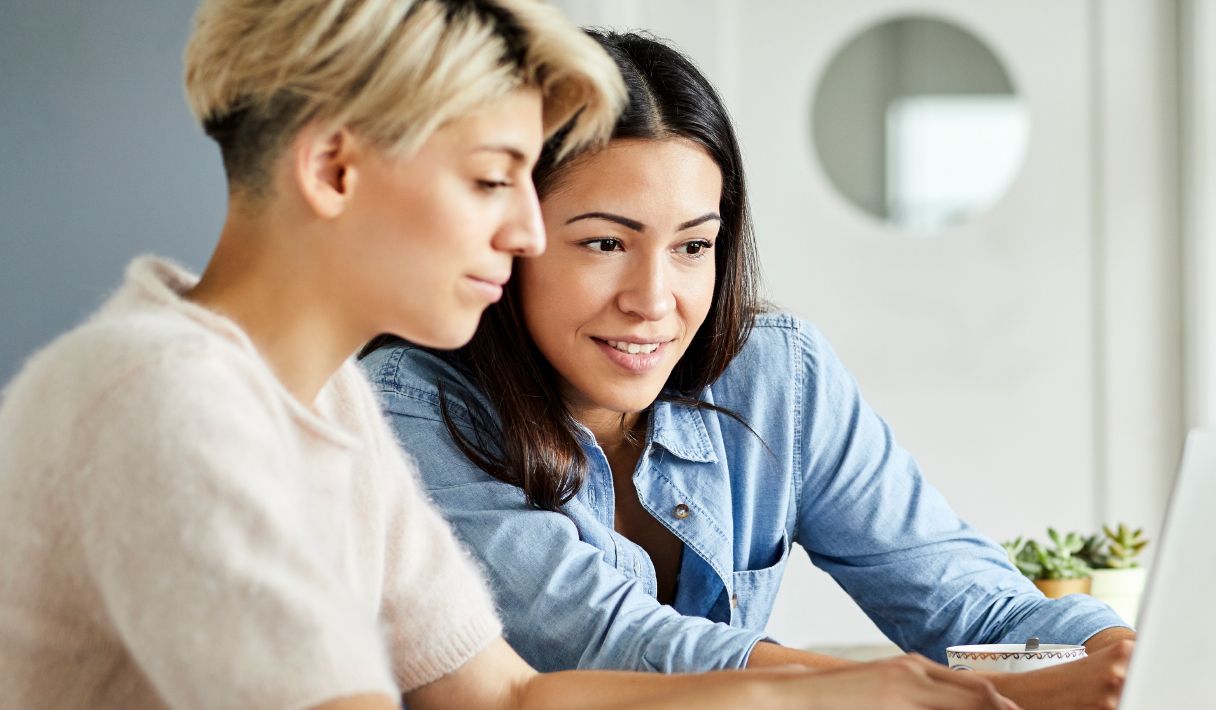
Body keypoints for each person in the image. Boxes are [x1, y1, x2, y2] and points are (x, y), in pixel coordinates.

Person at [0, 2, 1015, 709]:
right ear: (334, 167)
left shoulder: (322, 406)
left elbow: (505, 692)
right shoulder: (163, 397)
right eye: (494, 180)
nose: (529, 232)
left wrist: (852, 687)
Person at [365, 30, 1216, 710]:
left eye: (694, 245)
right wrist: (1003, 689)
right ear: (518, 234)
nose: (655, 298)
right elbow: (618, 644)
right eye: (603, 243)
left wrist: (1106, 653)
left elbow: (961, 596)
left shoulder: (771, 373)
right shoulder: (409, 406)